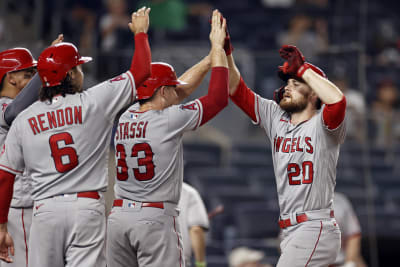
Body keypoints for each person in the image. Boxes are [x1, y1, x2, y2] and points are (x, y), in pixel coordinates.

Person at [0, 6, 151, 267]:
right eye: (78, 68)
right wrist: (141, 35)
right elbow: (141, 71)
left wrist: (0, 224)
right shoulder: (95, 101)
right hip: (85, 207)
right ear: (70, 74)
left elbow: (4, 175)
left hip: (43, 210)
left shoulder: (25, 119)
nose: (82, 73)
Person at [106, 9, 229, 267]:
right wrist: (218, 50)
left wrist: (208, 61)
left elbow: (178, 89)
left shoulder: (127, 113)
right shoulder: (168, 120)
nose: (178, 91)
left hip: (118, 218)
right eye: (170, 88)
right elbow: (217, 99)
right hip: (154, 219)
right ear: (162, 91)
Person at [227, 34, 346, 265]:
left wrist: (303, 70)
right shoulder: (276, 117)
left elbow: (337, 101)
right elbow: (235, 90)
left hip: (314, 226)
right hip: (290, 231)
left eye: (296, 83)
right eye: (287, 83)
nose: (287, 88)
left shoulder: (324, 123)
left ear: (314, 93)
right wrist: (226, 54)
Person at [0, 34, 63, 267]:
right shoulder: (6, 107)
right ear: (11, 77)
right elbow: (14, 110)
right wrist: (46, 65)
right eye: (28, 74)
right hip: (16, 205)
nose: (34, 79)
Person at [178, 182, 209, 267]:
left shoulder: (141, 190)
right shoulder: (188, 192)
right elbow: (196, 230)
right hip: (178, 261)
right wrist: (200, 264)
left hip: (144, 260)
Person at [332, 192, 367, 267]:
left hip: (339, 262)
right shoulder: (301, 201)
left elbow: (353, 235)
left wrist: (349, 263)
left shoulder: (340, 201)